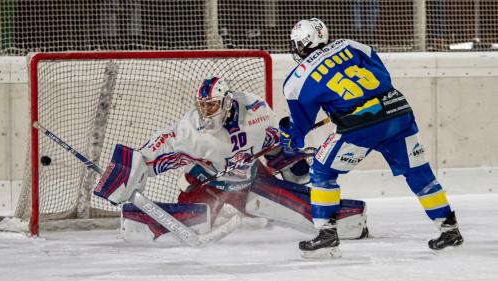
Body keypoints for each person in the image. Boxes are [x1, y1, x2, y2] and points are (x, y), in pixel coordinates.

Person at [94, 76, 368, 242]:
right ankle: (140, 220)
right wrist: (122, 177)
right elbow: (146, 156)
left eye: (211, 105)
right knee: (194, 222)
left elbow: (272, 143)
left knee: (300, 205)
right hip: (205, 186)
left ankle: (346, 220)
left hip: (250, 181)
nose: (205, 112)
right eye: (202, 106)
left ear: (226, 103)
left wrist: (292, 163)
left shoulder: (255, 110)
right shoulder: (189, 132)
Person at [280, 18, 463, 258]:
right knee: (418, 172)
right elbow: (382, 76)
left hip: (361, 125)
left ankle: (326, 235)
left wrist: (288, 136)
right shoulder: (350, 45)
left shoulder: (296, 80)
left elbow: (299, 128)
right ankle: (450, 230)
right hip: (398, 111)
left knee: (322, 172)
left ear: (301, 45)